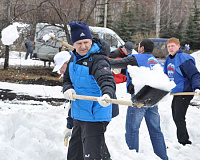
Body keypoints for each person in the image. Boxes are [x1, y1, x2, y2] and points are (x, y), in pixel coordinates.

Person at [62, 21, 116, 160]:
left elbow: (106, 79)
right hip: (79, 114)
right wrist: (68, 89)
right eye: (79, 43)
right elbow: (67, 79)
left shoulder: (97, 59)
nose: (83, 46)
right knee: (75, 155)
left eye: (86, 42)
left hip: (94, 114)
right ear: (73, 44)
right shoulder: (73, 58)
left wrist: (107, 94)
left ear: (91, 40)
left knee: (92, 156)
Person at [109, 39, 168, 160]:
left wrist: (99, 59)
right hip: (153, 98)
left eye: (139, 46)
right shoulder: (155, 61)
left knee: (132, 129)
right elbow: (139, 73)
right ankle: (163, 157)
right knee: (155, 130)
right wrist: (124, 72)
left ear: (141, 48)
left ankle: (131, 156)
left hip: (140, 98)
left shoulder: (136, 58)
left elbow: (114, 63)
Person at [164, 37, 200, 145]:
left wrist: (197, 87)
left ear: (178, 46)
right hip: (177, 91)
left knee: (178, 116)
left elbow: (194, 74)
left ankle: (184, 141)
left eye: (172, 46)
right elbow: (165, 74)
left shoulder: (183, 59)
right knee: (176, 115)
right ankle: (183, 139)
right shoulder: (168, 59)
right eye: (168, 46)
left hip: (185, 91)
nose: (170, 48)